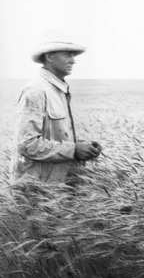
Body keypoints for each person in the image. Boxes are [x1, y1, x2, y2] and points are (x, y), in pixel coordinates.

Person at [9, 41, 103, 186]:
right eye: (68, 54)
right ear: (49, 56)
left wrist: (84, 147)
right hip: (37, 190)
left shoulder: (58, 90)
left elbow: (53, 135)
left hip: (55, 187)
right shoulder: (36, 90)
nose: (73, 60)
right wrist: (73, 150)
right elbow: (27, 145)